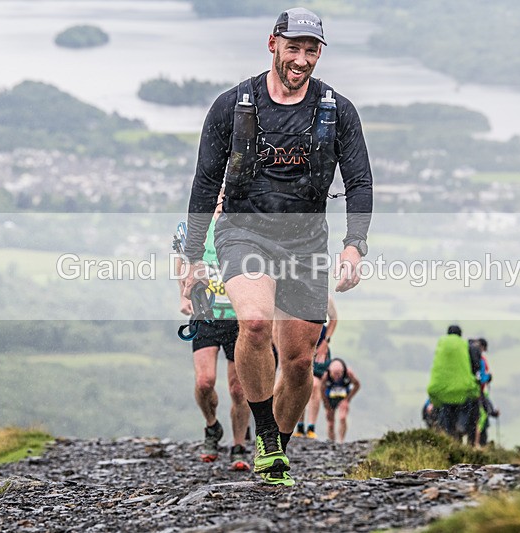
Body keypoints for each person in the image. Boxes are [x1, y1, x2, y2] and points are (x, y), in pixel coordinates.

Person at [181, 7, 373, 486]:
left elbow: (360, 181)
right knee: (253, 320)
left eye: (312, 51)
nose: (303, 59)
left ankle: (275, 452)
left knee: (299, 359)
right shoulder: (233, 105)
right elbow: (206, 183)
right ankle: (265, 433)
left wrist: (354, 246)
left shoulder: (337, 110)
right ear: (273, 45)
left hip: (306, 241)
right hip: (244, 231)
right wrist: (192, 259)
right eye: (295, 48)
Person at [176, 198, 250, 471]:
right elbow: (182, 262)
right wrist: (183, 297)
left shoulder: (243, 228)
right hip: (206, 313)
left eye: (225, 200)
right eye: (216, 201)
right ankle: (212, 426)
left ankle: (239, 446)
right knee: (205, 382)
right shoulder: (198, 230)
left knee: (238, 390)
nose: (220, 205)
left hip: (238, 319)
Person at [426, 325, 481, 445]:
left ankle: (449, 436)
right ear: (460, 334)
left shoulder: (441, 343)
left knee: (446, 411)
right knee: (466, 404)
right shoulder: (465, 345)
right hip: (461, 390)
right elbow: (475, 365)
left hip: (443, 391)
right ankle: (461, 425)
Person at [294, 296, 338, 439]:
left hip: (319, 345)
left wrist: (326, 342)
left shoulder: (325, 297)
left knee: (315, 385)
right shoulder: (293, 292)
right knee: (299, 385)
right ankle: (299, 425)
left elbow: (334, 318)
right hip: (299, 342)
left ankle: (311, 427)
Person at [321, 358, 360, 443]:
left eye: (338, 374)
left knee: (342, 417)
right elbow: (321, 390)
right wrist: (326, 404)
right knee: (330, 422)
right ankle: (332, 441)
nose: (336, 377)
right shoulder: (325, 376)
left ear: (342, 372)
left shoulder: (348, 373)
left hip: (343, 397)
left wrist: (348, 399)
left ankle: (341, 441)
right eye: (334, 374)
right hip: (330, 398)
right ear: (330, 372)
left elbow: (357, 385)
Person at [475, 338, 500, 446]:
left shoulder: (469, 356)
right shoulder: (480, 359)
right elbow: (481, 377)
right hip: (476, 392)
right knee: (481, 417)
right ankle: (477, 444)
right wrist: (488, 377)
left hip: (472, 392)